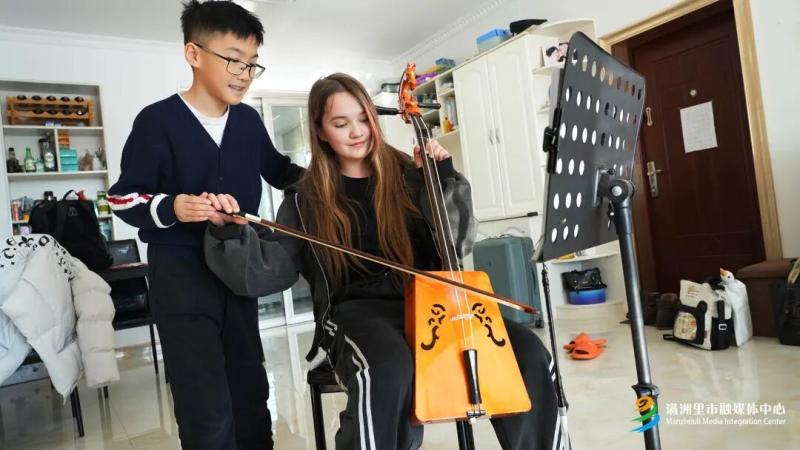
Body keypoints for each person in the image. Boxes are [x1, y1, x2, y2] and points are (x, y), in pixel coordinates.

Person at [204, 73, 558, 449]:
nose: (357, 132)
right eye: (341, 123)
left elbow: (456, 244)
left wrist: (440, 179)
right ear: (320, 131)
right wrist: (228, 233)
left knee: (529, 353)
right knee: (387, 368)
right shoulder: (306, 199)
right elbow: (270, 270)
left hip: (432, 305)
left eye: (364, 118)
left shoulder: (411, 175)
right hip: (356, 311)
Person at [107, 1, 303, 449]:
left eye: (252, 64)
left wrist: (340, 177)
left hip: (238, 268)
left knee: (251, 395)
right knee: (205, 408)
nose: (244, 74)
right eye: (233, 59)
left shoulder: (248, 121)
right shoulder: (157, 121)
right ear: (193, 54)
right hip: (180, 274)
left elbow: (281, 171)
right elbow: (122, 196)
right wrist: (173, 207)